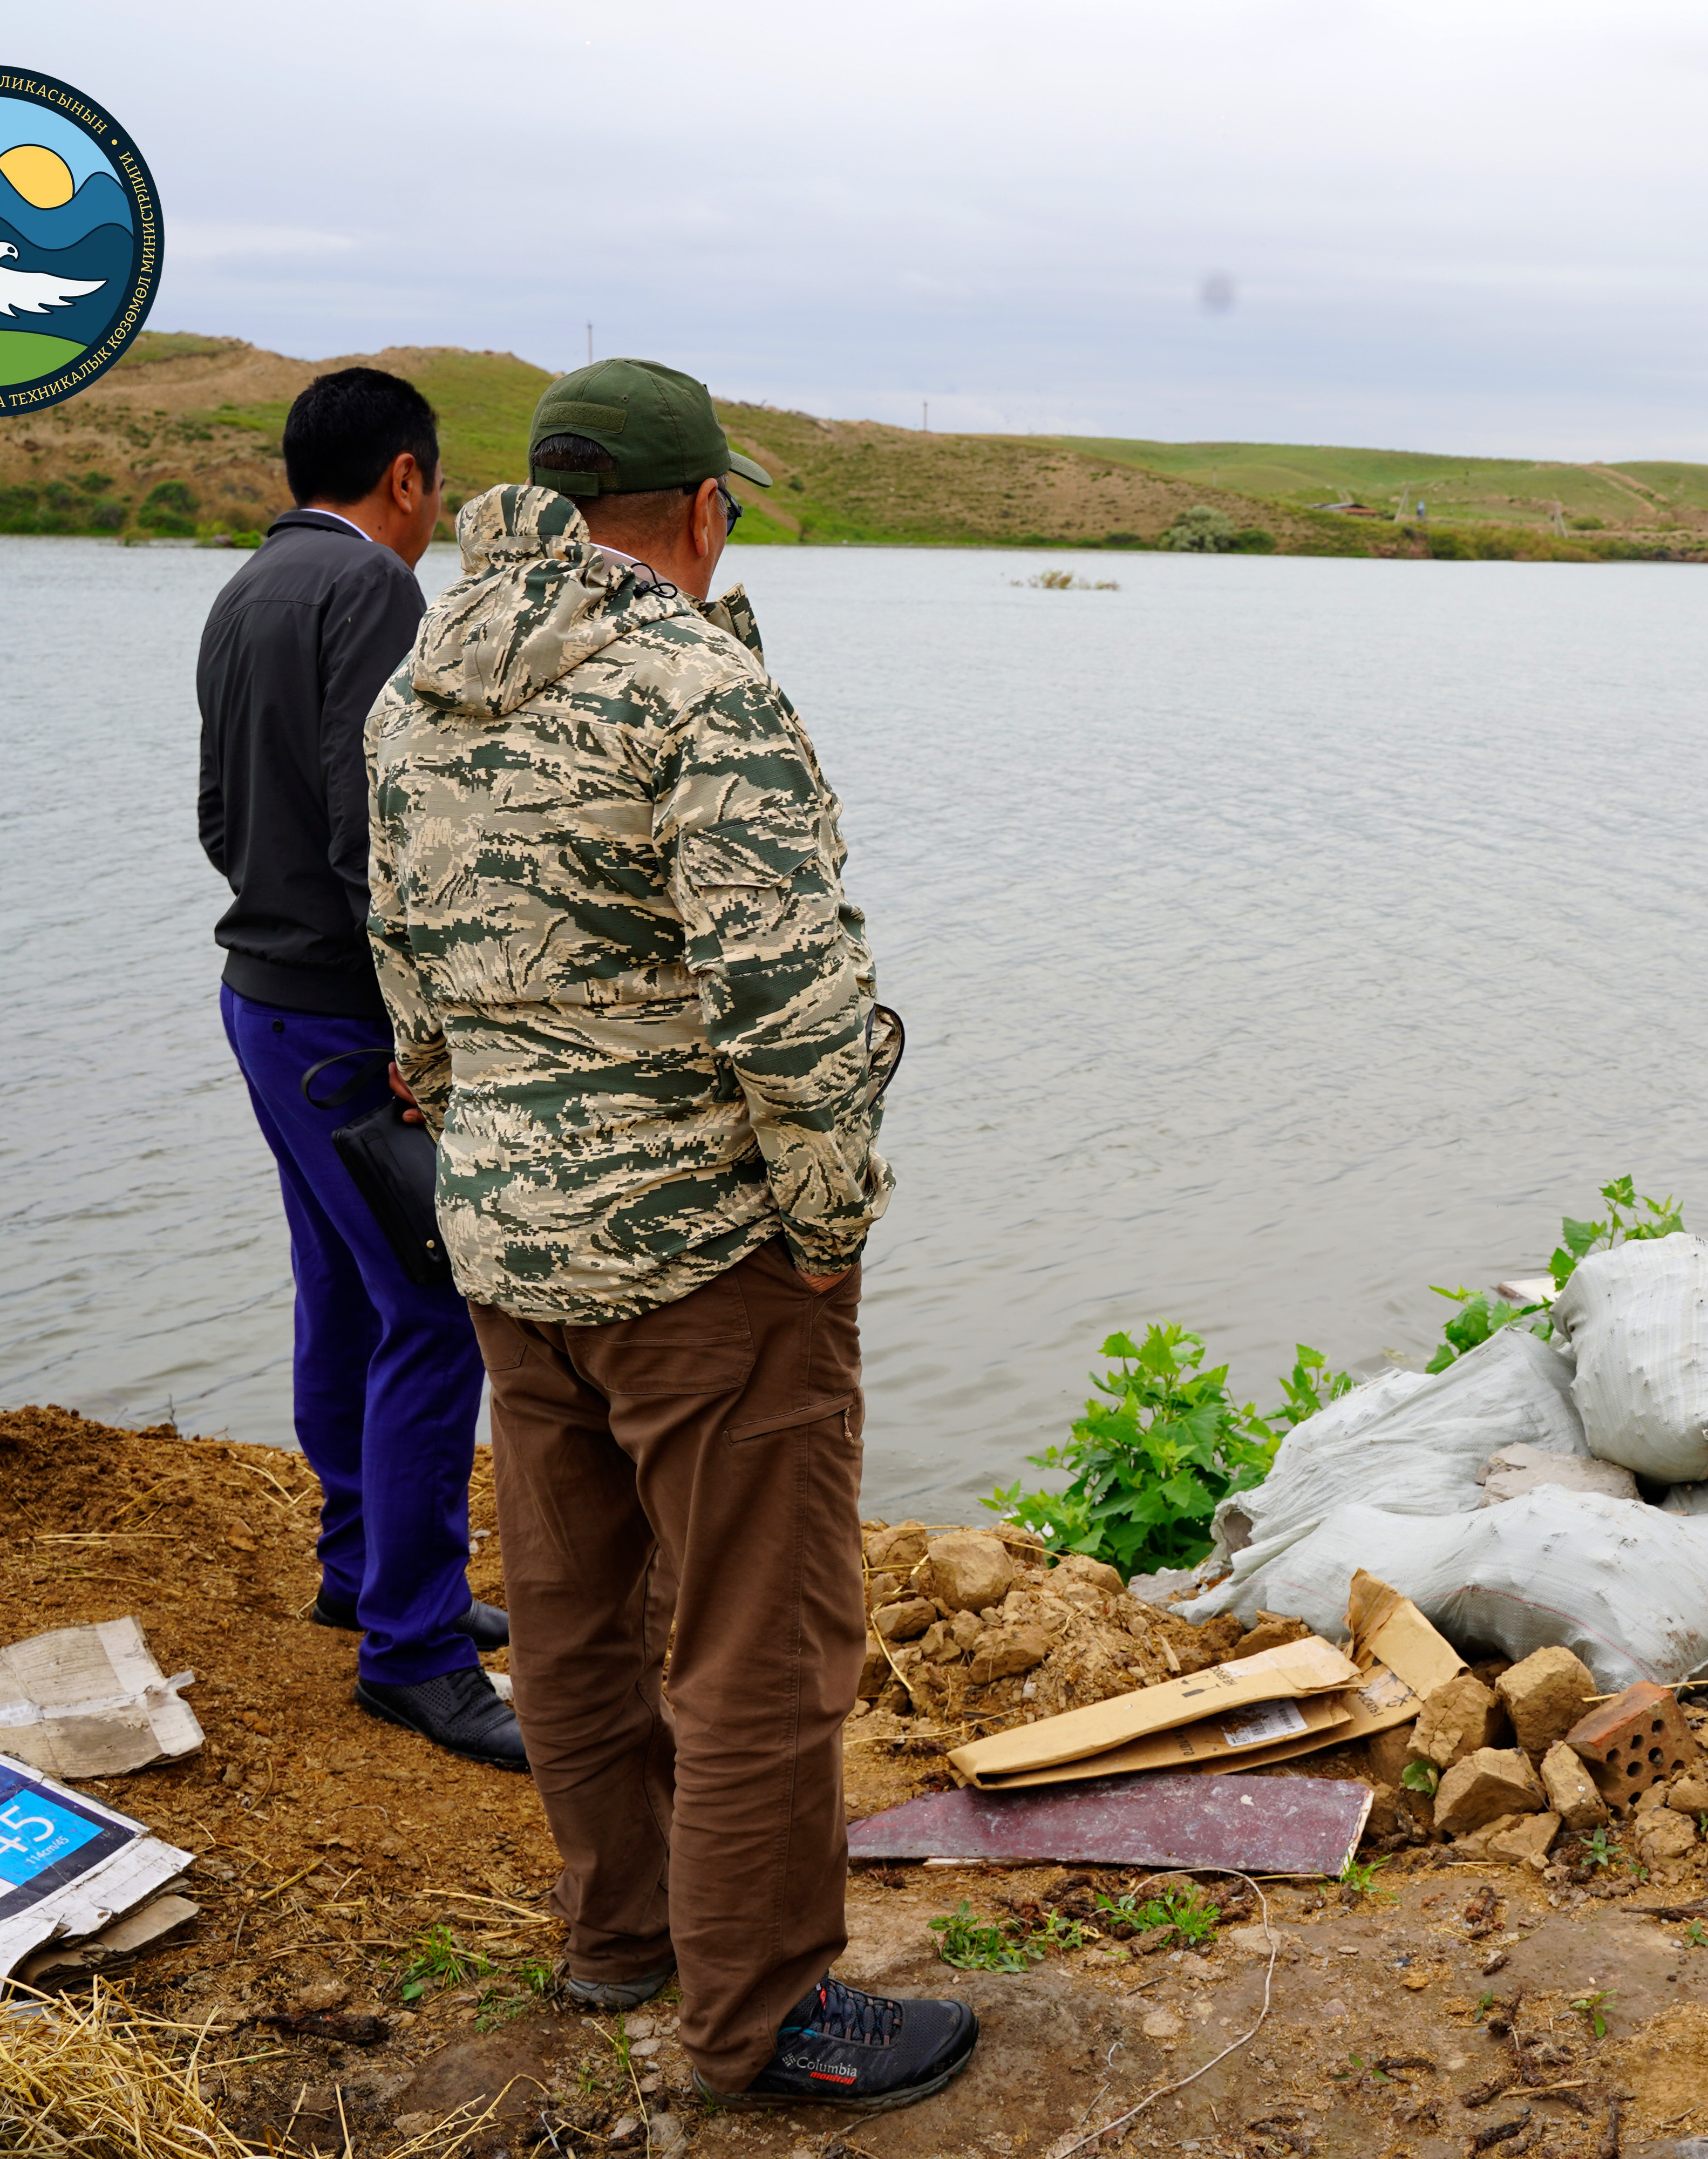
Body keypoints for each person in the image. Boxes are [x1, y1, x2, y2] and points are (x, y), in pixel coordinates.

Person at [362, 358, 966, 2111]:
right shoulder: (698, 684)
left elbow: (406, 971)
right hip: (709, 1256)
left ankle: (620, 1936)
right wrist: (831, 1220)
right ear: (704, 511)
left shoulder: (420, 684)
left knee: (569, 1602)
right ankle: (762, 2016)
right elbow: (791, 1001)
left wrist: (483, 1124)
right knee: (759, 1637)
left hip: (506, 1236)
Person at [197, 365, 522, 1774]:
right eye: (435, 490)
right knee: (437, 1308)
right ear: (407, 479)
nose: (434, 515)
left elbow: (223, 817)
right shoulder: (377, 594)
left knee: (338, 1286)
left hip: (260, 998)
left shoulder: (243, 593)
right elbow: (371, 826)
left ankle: (361, 1567)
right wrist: (415, 1027)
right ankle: (415, 1648)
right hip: (343, 1020)